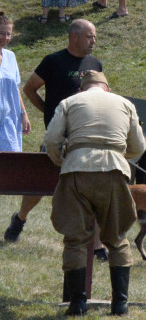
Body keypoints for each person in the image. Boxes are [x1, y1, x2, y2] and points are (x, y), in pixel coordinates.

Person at [44, 70, 145, 316]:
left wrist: (62, 161)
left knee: (75, 239)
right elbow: (139, 146)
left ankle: (78, 304)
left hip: (76, 171)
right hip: (114, 172)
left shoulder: (69, 102)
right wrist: (118, 155)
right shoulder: (125, 104)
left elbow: (51, 139)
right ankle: (120, 304)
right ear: (106, 88)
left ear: (82, 89)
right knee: (117, 237)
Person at [4, 19, 100, 244]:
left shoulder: (95, 64)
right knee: (42, 184)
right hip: (57, 138)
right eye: (89, 36)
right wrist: (49, 113)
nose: (93, 41)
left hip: (85, 139)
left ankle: (95, 245)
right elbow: (29, 88)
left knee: (91, 187)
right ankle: (20, 218)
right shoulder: (53, 61)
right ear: (74, 36)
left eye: (94, 37)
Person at [0, 13, 31, 153]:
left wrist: (23, 114)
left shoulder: (10, 57)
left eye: (8, 34)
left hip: (9, 119)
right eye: (1, 33)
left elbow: (15, 88)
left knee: (11, 162)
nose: (5, 38)